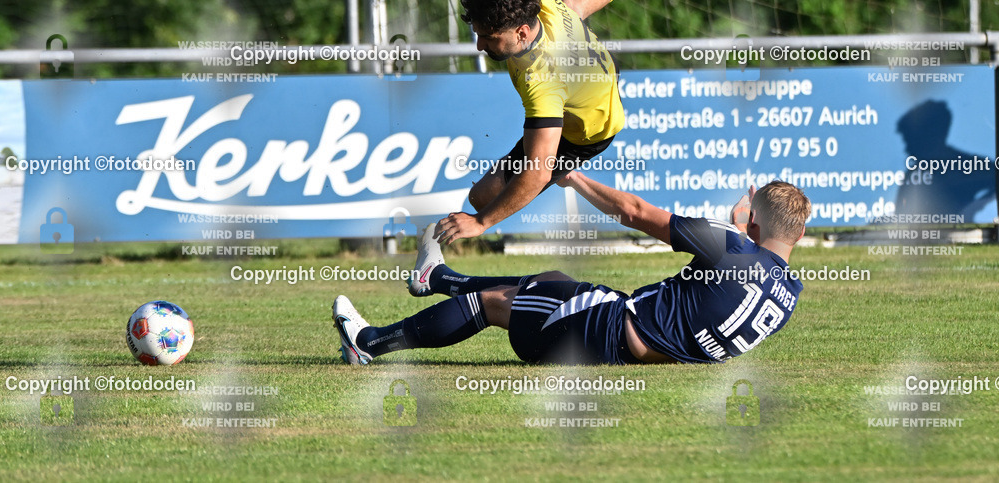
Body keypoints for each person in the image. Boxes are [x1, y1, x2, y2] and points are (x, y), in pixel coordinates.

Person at [333, 175, 812, 366]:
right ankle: (435, 279)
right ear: (800, 235)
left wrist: (571, 175)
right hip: (644, 347)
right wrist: (741, 230)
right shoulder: (789, 291)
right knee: (552, 282)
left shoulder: (730, 247)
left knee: (494, 304)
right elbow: (738, 281)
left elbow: (634, 210)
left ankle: (368, 343)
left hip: (611, 328)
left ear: (751, 221)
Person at [428, 0, 659, 247]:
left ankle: (569, 172)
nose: (479, 44)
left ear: (521, 32)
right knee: (568, 5)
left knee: (483, 196)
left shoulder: (543, 83)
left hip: (589, 128)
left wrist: (480, 221)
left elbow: (535, 173)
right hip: (582, 60)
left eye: (489, 38)